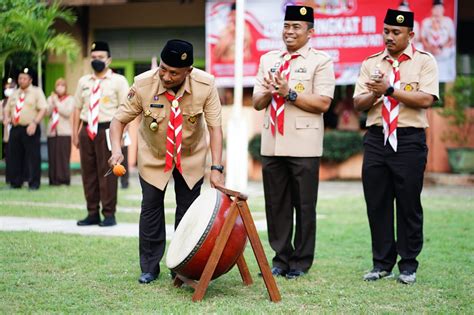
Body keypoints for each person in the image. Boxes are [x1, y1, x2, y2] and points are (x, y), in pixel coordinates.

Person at [108, 39, 224, 284]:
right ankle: (149, 267)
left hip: (190, 156)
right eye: (163, 68)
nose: (166, 76)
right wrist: (117, 150)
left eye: (174, 72)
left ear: (188, 71)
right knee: (150, 208)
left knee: (188, 212)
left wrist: (216, 167)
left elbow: (215, 128)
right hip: (153, 156)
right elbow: (118, 121)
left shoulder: (206, 85)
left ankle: (181, 266)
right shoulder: (142, 84)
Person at [353, 8, 439, 284]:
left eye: (396, 32)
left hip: (409, 139)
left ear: (410, 34)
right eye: (386, 31)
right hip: (377, 138)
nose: (389, 37)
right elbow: (358, 103)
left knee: (408, 203)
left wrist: (389, 90)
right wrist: (374, 95)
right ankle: (381, 263)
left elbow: (426, 99)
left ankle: (408, 265)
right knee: (376, 202)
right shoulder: (371, 63)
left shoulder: (424, 62)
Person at [252, 5, 335, 279]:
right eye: (286, 26)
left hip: (304, 144)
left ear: (310, 32)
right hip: (272, 142)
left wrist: (289, 93)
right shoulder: (268, 59)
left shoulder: (320, 61)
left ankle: (301, 261)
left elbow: (323, 103)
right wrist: (269, 90)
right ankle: (281, 258)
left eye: (296, 27)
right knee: (276, 205)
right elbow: (256, 102)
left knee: (305, 205)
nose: (289, 31)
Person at [72, 41, 129, 227]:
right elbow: (76, 108)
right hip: (87, 130)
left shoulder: (118, 81)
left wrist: (120, 137)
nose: (97, 60)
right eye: (94, 57)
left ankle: (109, 214)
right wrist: (75, 133)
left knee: (107, 173)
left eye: (101, 57)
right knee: (88, 174)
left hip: (108, 130)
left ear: (109, 60)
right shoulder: (83, 82)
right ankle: (92, 213)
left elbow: (126, 111)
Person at [3, 68, 47, 190]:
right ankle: (15, 182)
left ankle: (33, 183)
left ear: (30, 80)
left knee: (33, 157)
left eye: (24, 78)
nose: (21, 81)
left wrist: (34, 123)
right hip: (16, 128)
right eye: (20, 78)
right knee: (14, 156)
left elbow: (43, 109)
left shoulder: (36, 92)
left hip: (30, 127)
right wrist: (6, 119)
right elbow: (7, 109)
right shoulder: (14, 93)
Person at [46, 78, 75, 185]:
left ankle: (64, 179)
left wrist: (57, 103)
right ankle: (53, 180)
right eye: (58, 85)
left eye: (62, 85)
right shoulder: (51, 98)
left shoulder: (70, 99)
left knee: (63, 157)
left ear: (65, 87)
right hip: (52, 131)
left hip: (64, 132)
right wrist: (52, 103)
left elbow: (67, 112)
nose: (60, 88)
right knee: (52, 156)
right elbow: (46, 112)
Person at [420, 0, 455, 81]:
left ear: (443, 10)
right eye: (435, 9)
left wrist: (441, 47)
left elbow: (452, 39)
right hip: (429, 49)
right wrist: (430, 48)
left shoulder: (448, 21)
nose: (437, 11)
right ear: (432, 10)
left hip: (443, 49)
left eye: (439, 9)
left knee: (451, 50)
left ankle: (447, 76)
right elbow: (422, 38)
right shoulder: (426, 22)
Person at [1, 78, 16, 184]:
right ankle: (9, 178)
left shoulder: (18, 100)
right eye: (6, 87)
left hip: (17, 132)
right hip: (7, 133)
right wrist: (5, 119)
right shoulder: (2, 102)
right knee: (9, 157)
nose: (8, 89)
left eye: (10, 87)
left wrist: (12, 119)